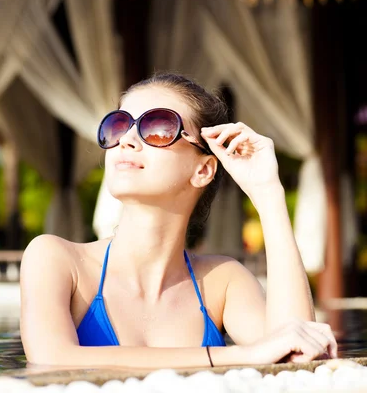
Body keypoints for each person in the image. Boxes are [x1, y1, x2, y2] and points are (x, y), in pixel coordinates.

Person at [20, 72, 337, 369]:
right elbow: (52, 357)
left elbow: (298, 358)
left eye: (157, 128)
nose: (127, 140)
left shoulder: (222, 282)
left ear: (203, 170)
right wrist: (236, 355)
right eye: (118, 125)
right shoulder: (55, 259)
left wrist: (268, 193)